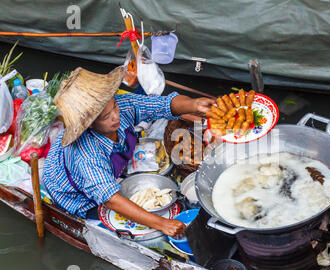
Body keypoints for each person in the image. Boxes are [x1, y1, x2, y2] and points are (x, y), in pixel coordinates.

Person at [43, 66, 215, 237]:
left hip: (106, 175)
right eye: (105, 117)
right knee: (128, 227)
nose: (116, 116)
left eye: (114, 107)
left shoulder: (122, 107)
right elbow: (111, 200)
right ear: (89, 125)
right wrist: (163, 224)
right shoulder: (86, 155)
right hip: (76, 198)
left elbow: (162, 105)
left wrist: (194, 104)